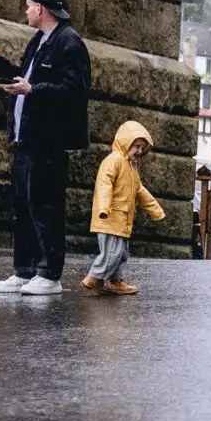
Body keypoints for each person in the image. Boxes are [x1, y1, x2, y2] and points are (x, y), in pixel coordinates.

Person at [0, 0, 91, 298]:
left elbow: (75, 92)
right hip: (25, 139)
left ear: (40, 8)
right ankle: (24, 271)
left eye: (28, 6)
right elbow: (22, 77)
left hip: (49, 142)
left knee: (45, 207)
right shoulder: (39, 40)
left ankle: (49, 275)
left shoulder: (70, 44)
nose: (25, 11)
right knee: (23, 207)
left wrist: (33, 91)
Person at [83, 122, 163, 296]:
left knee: (121, 254)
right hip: (110, 217)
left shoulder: (131, 166)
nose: (139, 151)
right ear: (126, 142)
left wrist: (155, 210)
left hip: (122, 219)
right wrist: (104, 208)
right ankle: (94, 277)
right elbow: (104, 184)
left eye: (142, 148)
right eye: (137, 146)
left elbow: (139, 190)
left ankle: (115, 281)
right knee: (113, 253)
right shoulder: (114, 160)